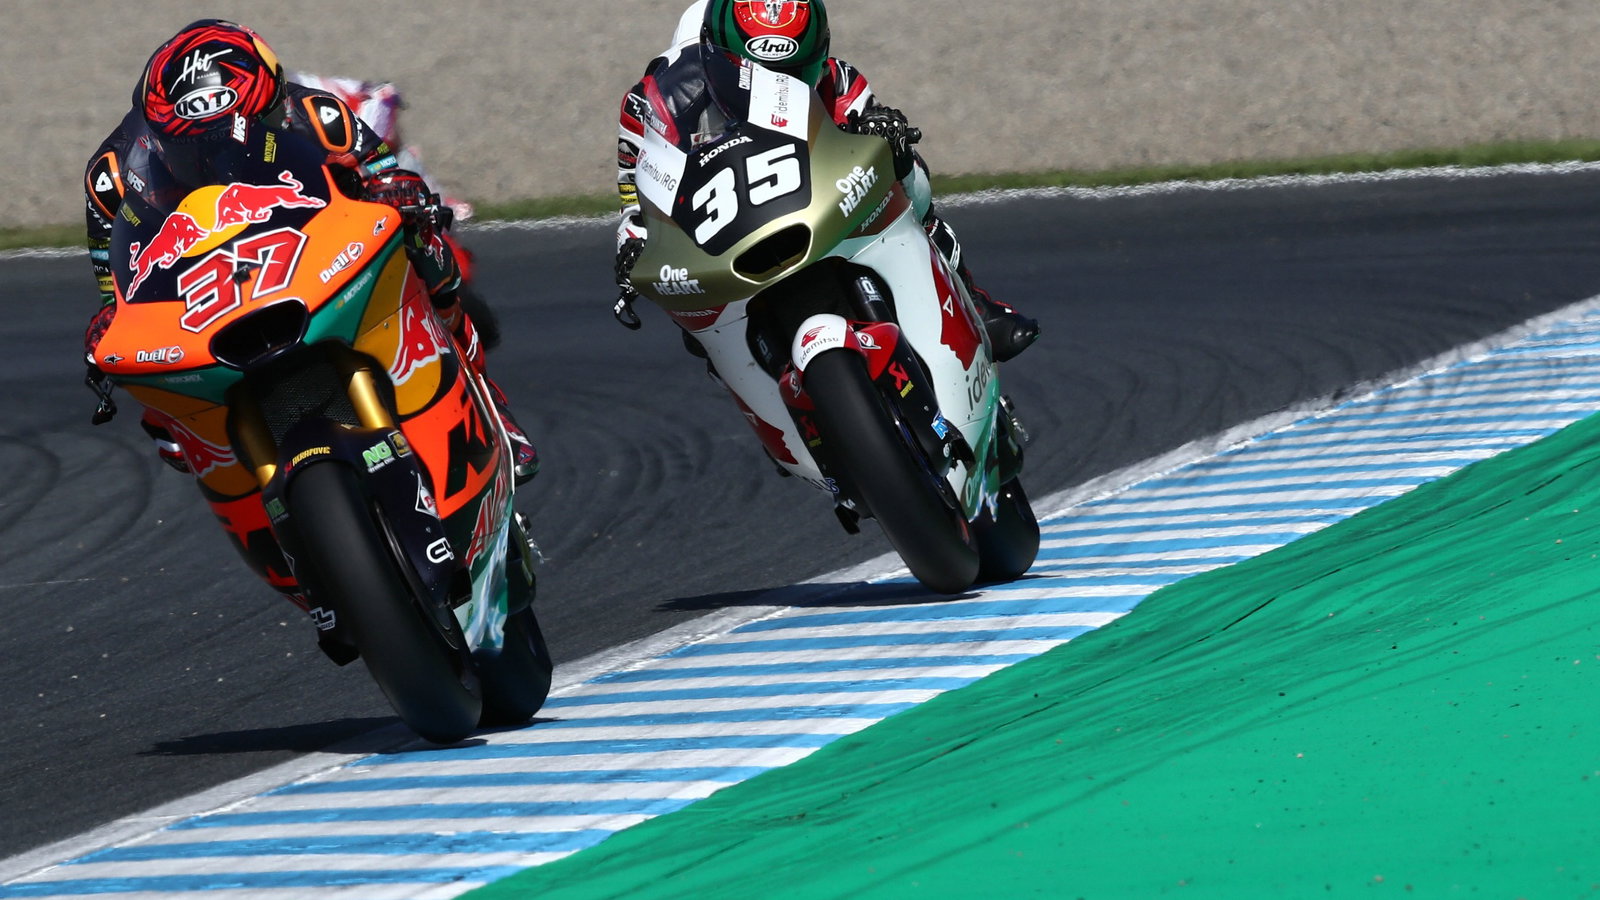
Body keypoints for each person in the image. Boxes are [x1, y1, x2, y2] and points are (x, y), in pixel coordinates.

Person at [81, 19, 536, 482]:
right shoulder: (111, 176)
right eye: (191, 147)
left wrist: (397, 190)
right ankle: (188, 433)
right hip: (198, 275)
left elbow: (385, 172)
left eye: (239, 133)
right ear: (158, 136)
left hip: (312, 234)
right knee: (134, 372)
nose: (217, 158)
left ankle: (489, 402)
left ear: (273, 105)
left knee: (426, 248)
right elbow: (114, 291)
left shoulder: (317, 112)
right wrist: (109, 322)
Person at [612, 0, 1039, 362]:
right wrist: (632, 245)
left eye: (796, 71)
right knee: (694, 325)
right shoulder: (652, 106)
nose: (779, 86)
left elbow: (879, 144)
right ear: (717, 59)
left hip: (821, 216)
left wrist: (886, 138)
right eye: (757, 72)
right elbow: (636, 197)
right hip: (722, 243)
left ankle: (969, 300)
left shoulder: (839, 80)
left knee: (912, 179)